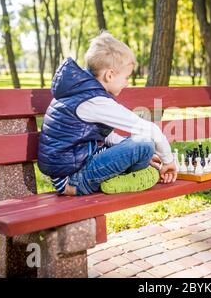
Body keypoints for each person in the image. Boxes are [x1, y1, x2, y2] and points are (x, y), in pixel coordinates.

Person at [38, 31, 177, 196]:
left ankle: (131, 172)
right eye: (126, 77)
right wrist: (168, 161)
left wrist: (137, 151)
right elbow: (150, 129)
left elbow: (107, 137)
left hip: (76, 168)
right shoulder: (95, 101)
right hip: (74, 179)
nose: (126, 83)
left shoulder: (81, 91)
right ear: (110, 75)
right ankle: (120, 180)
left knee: (143, 146)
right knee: (145, 143)